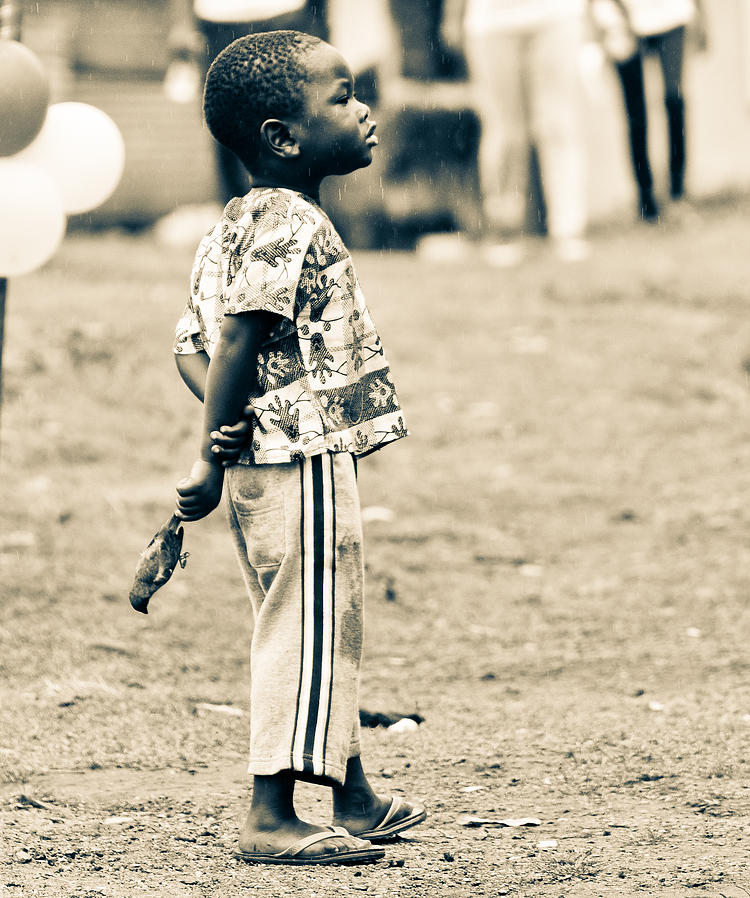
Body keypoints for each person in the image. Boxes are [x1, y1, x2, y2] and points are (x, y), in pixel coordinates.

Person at [170, 30, 424, 866]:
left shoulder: (234, 224)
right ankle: (269, 813)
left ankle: (350, 794)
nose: (364, 111)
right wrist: (211, 453)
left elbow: (191, 347)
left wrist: (226, 426)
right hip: (298, 459)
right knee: (308, 623)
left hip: (266, 459)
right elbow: (237, 343)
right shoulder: (290, 221)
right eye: (344, 97)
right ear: (284, 136)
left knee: (317, 618)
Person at [443, 0, 592, 263]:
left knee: (558, 126)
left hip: (557, 15)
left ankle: (568, 229)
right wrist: (453, 15)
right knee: (505, 131)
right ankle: (505, 229)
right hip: (493, 22)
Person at [166, 0, 328, 204]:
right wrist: (182, 23)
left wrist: (320, 20)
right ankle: (245, 227)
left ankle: (307, 221)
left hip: (287, 14)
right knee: (229, 134)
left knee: (301, 132)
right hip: (220, 20)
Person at [591, 0, 706, 222]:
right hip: (619, 19)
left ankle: (677, 193)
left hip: (672, 15)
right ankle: (645, 200)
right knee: (636, 113)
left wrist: (701, 13)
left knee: (675, 102)